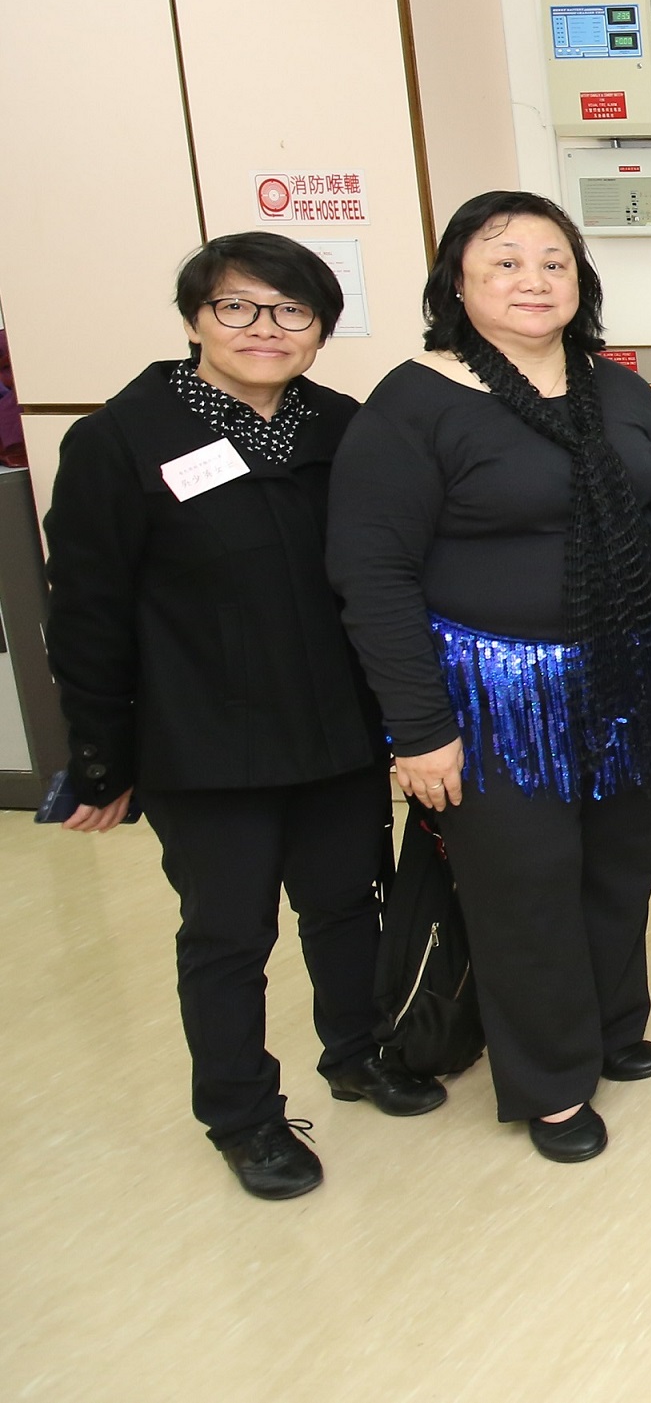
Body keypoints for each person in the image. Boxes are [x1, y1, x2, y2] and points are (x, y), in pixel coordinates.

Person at [44, 234, 443, 1201]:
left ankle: (358, 1049)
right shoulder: (122, 438)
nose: (265, 328)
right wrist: (100, 759)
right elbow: (87, 615)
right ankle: (243, 1115)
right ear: (196, 318)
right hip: (204, 738)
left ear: (320, 329)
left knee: (348, 902)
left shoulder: (341, 427)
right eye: (237, 306)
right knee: (228, 933)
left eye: (291, 311)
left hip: (335, 725)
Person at [326, 193, 651, 1165]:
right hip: (495, 697)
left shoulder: (616, 389)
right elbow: (372, 573)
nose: (535, 279)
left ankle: (610, 1024)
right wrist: (418, 728)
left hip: (627, 676)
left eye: (554, 261)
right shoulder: (415, 402)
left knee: (620, 865)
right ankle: (551, 1080)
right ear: (457, 282)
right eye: (505, 261)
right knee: (525, 886)